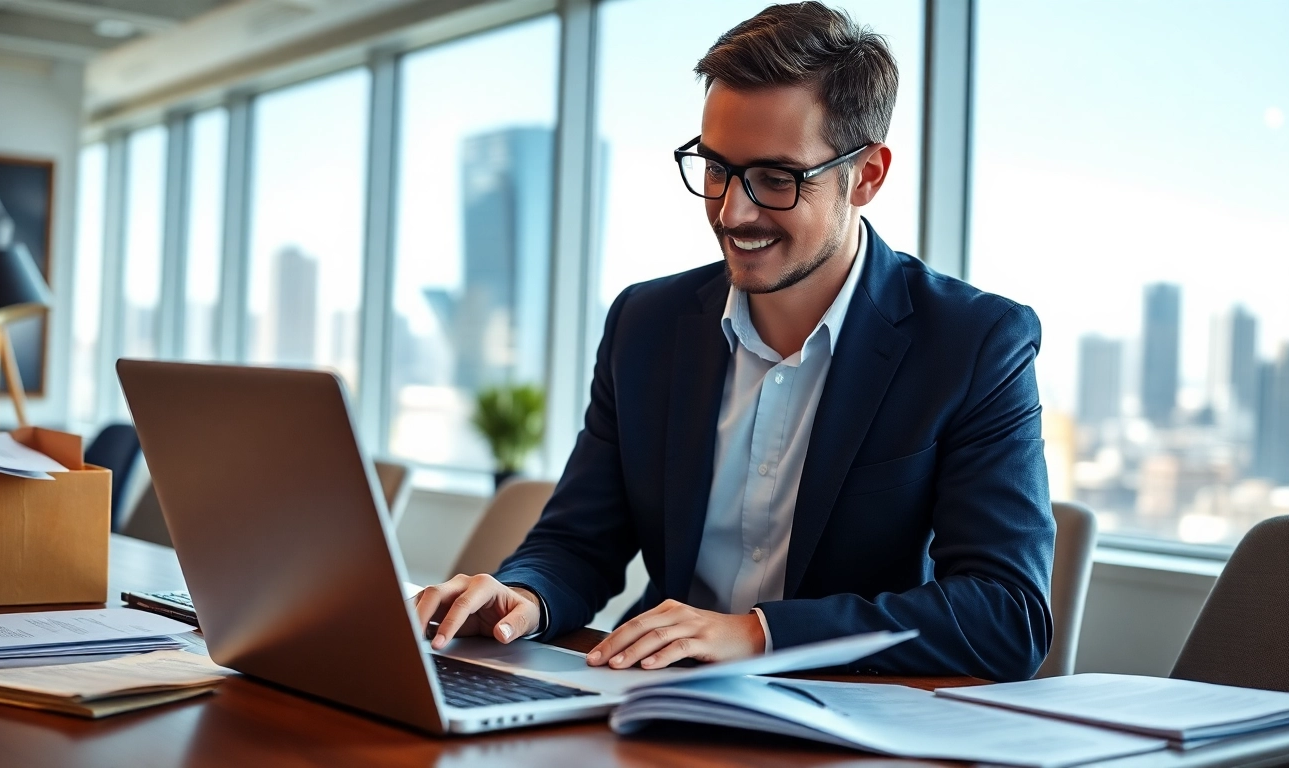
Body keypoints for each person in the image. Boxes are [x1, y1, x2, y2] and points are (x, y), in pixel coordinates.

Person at [416, 1, 1054, 682]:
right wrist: (525, 598)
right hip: (653, 702)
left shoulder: (974, 342)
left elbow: (1007, 614)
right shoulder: (645, 323)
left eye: (776, 179)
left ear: (865, 176)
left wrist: (759, 635)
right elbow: (578, 541)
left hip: (844, 724)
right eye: (716, 168)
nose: (732, 211)